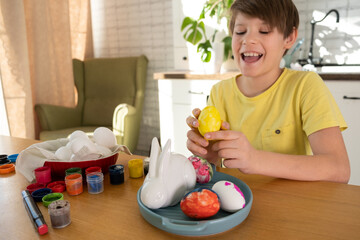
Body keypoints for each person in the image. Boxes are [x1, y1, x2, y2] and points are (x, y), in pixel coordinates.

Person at [186, 0, 350, 183]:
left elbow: (338, 169)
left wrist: (255, 159)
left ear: (289, 37)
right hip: (239, 204)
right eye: (240, 32)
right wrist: (209, 156)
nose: (248, 40)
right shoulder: (219, 92)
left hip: (294, 204)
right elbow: (216, 170)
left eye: (264, 31)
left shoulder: (305, 86)